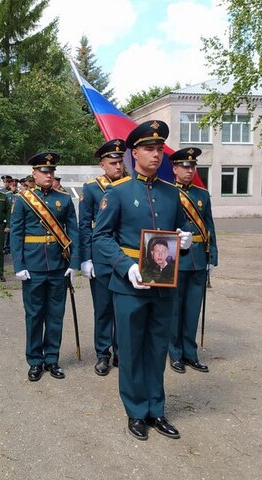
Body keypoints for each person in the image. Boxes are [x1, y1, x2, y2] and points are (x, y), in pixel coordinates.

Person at [93, 120, 193, 442]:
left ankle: (156, 409)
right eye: (149, 148)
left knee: (156, 348)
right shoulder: (118, 193)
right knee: (133, 350)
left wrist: (185, 240)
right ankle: (136, 411)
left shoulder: (171, 194)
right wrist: (125, 265)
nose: (156, 154)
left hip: (163, 282)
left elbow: (177, 232)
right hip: (129, 285)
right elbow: (102, 237)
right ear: (134, 153)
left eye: (159, 148)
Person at [10, 152, 79, 382]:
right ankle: (35, 361)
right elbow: (17, 234)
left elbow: (74, 232)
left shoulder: (65, 199)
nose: (49, 175)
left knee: (55, 315)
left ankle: (52, 359)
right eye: (44, 171)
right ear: (34, 174)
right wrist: (19, 264)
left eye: (51, 172)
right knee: (34, 315)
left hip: (58, 265)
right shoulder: (23, 199)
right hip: (33, 266)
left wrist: (74, 262)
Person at [79, 138, 127, 376]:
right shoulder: (91, 188)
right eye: (113, 162)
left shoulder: (131, 185)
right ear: (102, 165)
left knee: (125, 306)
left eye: (121, 162)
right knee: (103, 308)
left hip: (127, 256)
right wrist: (86, 258)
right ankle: (102, 353)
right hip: (101, 257)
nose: (118, 167)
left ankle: (121, 351)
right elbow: (85, 226)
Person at [167, 147, 218, 375]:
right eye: (185, 167)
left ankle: (191, 353)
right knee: (174, 309)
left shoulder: (202, 194)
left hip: (198, 259)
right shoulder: (168, 193)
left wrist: (211, 257)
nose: (189, 170)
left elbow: (209, 228)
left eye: (192, 166)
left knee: (192, 309)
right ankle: (175, 353)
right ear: (175, 169)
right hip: (176, 257)